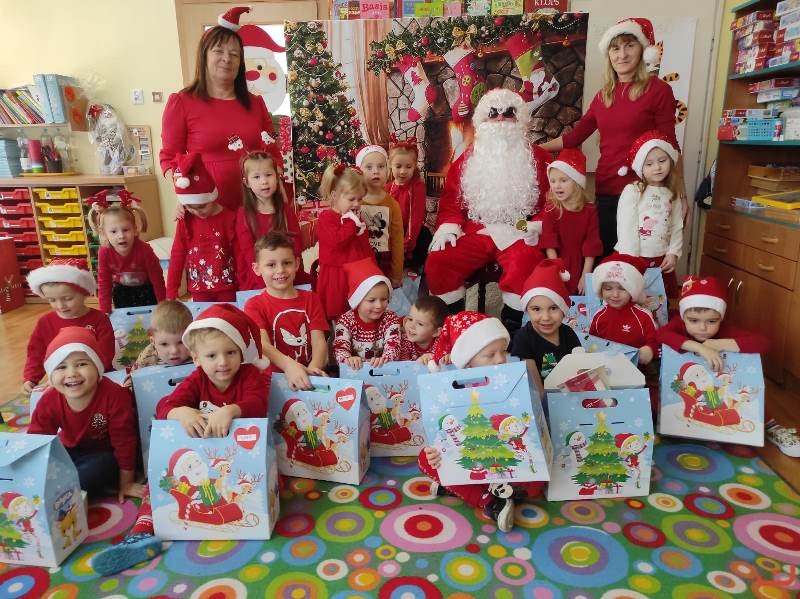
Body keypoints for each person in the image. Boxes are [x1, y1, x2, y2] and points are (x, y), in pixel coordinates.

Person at [92, 302, 270, 576]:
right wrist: (180, 412)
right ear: (196, 358)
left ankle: (228, 513)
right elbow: (164, 406)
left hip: (236, 463)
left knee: (248, 490)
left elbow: (258, 403)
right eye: (212, 355)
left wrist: (232, 410)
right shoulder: (197, 378)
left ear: (241, 352)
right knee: (158, 483)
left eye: (231, 352)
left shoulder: (248, 375)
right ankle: (140, 534)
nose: (222, 362)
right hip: (200, 465)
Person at [539, 17, 680, 256]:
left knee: (640, 261)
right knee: (606, 262)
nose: (622, 55)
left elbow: (670, 146)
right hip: (607, 192)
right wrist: (535, 148)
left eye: (629, 46)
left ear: (642, 50)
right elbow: (574, 138)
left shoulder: (659, 91)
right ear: (609, 54)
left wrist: (680, 196)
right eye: (615, 48)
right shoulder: (603, 96)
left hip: (646, 194)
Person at [424, 88, 551, 332]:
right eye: (493, 113)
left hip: (520, 228)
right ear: (483, 120)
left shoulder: (540, 158)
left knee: (526, 261)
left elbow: (554, 201)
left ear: (519, 118)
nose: (501, 119)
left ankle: (513, 327)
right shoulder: (467, 159)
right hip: (478, 229)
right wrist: (449, 226)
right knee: (440, 259)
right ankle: (453, 325)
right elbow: (451, 200)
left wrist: (538, 223)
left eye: (508, 112)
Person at [419, 311, 545, 532]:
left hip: (504, 458)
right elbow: (443, 434)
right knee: (426, 459)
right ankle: (491, 501)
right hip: (471, 458)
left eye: (503, 351)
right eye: (490, 354)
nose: (500, 359)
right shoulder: (452, 390)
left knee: (536, 484)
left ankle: (473, 489)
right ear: (468, 362)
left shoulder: (511, 382)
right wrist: (437, 451)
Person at [655, 276, 797, 456]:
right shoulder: (679, 325)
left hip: (713, 396)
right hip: (692, 401)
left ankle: (771, 427)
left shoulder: (724, 330)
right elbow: (661, 335)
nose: (703, 328)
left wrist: (720, 343)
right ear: (684, 317)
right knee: (659, 399)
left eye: (711, 321)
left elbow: (763, 343)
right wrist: (699, 347)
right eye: (694, 320)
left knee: (744, 398)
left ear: (720, 318)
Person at [159, 6, 276, 212]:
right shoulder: (182, 102)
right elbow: (169, 158)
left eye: (234, 54)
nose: (227, 58)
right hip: (205, 208)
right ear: (204, 55)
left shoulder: (256, 103)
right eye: (219, 51)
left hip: (254, 208)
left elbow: (272, 153)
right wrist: (186, 192)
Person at [27, 327, 145, 501]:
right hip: (71, 450)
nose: (71, 373)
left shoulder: (115, 395)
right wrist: (31, 476)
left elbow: (124, 441)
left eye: (81, 364)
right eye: (61, 367)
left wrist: (126, 482)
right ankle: (59, 488)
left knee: (95, 470)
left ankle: (64, 492)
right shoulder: (49, 400)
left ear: (97, 367)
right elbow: (37, 439)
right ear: (51, 375)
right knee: (52, 461)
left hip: (107, 454)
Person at [244, 231, 328, 391]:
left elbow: (319, 341)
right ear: (257, 268)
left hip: (310, 378)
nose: (280, 270)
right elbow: (262, 344)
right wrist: (290, 366)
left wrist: (313, 370)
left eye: (287, 263)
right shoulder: (254, 305)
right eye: (271, 265)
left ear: (296, 264)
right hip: (272, 383)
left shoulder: (311, 299)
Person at [23, 258, 114, 394]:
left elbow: (105, 354)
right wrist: (31, 378)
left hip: (100, 377)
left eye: (67, 299)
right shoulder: (45, 322)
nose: (60, 306)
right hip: (62, 382)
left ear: (84, 293)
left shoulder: (99, 319)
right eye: (52, 300)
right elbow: (36, 353)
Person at [615, 130, 683, 299]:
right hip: (636, 257)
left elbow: (677, 225)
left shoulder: (673, 193)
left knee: (659, 303)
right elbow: (626, 226)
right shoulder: (633, 190)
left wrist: (673, 252)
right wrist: (630, 260)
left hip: (661, 259)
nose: (657, 167)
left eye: (662, 161)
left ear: (670, 160)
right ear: (641, 167)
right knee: (633, 297)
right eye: (649, 164)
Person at [231, 137, 306, 290]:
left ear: (277, 177)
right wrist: (265, 282)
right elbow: (247, 252)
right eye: (256, 177)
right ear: (247, 182)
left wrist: (287, 271)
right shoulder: (244, 214)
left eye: (268, 175)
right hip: (258, 278)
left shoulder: (285, 210)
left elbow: (297, 243)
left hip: (287, 274)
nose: (264, 181)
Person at [166, 152, 238, 302]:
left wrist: (246, 289)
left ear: (212, 197)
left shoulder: (231, 218)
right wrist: (171, 292)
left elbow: (240, 255)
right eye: (189, 207)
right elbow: (177, 255)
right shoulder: (185, 219)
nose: (197, 212)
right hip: (199, 291)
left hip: (228, 289)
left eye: (202, 206)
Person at [87, 190, 165, 313]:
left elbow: (157, 279)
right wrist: (105, 310)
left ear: (134, 229)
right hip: (122, 293)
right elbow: (104, 283)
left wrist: (163, 304)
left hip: (146, 291)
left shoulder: (145, 250)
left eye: (125, 230)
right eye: (114, 231)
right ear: (104, 233)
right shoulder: (104, 252)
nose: (121, 236)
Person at [511, 259, 582, 393]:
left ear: (564, 309)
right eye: (536, 309)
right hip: (540, 398)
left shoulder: (568, 333)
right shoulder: (523, 338)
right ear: (527, 310)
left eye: (553, 308)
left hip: (569, 395)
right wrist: (545, 403)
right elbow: (533, 384)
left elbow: (579, 368)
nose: (546, 317)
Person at [539, 148, 602, 294]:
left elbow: (591, 243)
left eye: (563, 180)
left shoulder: (590, 210)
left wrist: (585, 275)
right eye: (553, 181)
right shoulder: (551, 209)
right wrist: (558, 271)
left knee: (583, 296)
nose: (557, 185)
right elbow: (549, 244)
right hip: (557, 262)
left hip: (583, 264)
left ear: (576, 182)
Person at [315, 163, 374, 320]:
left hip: (357, 273)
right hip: (337, 276)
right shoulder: (327, 218)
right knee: (340, 315)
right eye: (351, 199)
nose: (357, 204)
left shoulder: (355, 219)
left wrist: (372, 268)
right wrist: (352, 224)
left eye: (360, 199)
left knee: (358, 314)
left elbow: (365, 248)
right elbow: (337, 242)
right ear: (334, 195)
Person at [589, 253, 658, 366]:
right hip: (604, 367)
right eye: (608, 288)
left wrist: (649, 350)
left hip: (635, 369)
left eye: (622, 289)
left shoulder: (643, 317)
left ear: (632, 290)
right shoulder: (599, 316)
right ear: (601, 290)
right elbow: (591, 342)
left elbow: (655, 342)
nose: (615, 295)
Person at [333, 258, 402, 369]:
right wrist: (348, 359)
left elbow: (394, 346)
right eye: (371, 300)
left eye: (384, 299)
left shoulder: (390, 318)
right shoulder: (346, 321)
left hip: (383, 370)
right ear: (357, 300)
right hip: (355, 371)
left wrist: (385, 359)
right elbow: (340, 348)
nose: (379, 305)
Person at [356, 145, 404, 288]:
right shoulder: (354, 202)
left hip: (384, 261)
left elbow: (397, 241)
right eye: (369, 167)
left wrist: (396, 274)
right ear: (359, 171)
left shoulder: (393, 205)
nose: (376, 171)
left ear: (388, 170)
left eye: (381, 166)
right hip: (360, 261)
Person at [386, 134, 431, 269]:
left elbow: (415, 219)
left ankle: (414, 267)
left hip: (412, 232)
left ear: (414, 166)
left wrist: (406, 245)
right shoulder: (387, 188)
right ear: (390, 165)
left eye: (408, 167)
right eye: (398, 166)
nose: (403, 171)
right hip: (393, 231)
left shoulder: (418, 188)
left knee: (424, 235)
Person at [130, 300, 194, 371]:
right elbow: (133, 375)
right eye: (164, 344)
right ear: (153, 342)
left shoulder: (198, 350)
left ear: (191, 338)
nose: (174, 351)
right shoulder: (146, 357)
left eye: (181, 342)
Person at [401, 295, 447, 362]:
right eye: (410, 319)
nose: (411, 326)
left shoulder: (442, 343)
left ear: (436, 332)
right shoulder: (403, 342)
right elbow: (402, 365)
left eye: (420, 324)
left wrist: (438, 358)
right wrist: (418, 361)